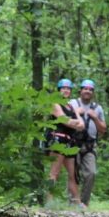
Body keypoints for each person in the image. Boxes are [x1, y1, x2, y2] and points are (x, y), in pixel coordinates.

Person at [47, 79, 85, 207]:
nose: (66, 90)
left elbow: (82, 125)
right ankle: (49, 201)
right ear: (58, 90)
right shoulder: (55, 103)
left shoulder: (71, 106)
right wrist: (74, 122)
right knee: (54, 173)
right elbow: (64, 120)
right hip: (57, 139)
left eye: (68, 88)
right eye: (63, 88)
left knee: (72, 174)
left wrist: (72, 122)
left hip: (70, 141)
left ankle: (77, 202)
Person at [68, 79, 107, 207]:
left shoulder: (98, 108)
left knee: (91, 173)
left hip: (90, 145)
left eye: (90, 90)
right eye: (85, 89)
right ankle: (73, 202)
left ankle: (84, 202)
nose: (88, 91)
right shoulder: (73, 103)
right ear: (80, 90)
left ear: (93, 93)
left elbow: (103, 130)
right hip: (74, 143)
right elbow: (63, 118)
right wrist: (75, 113)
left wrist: (95, 117)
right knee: (74, 173)